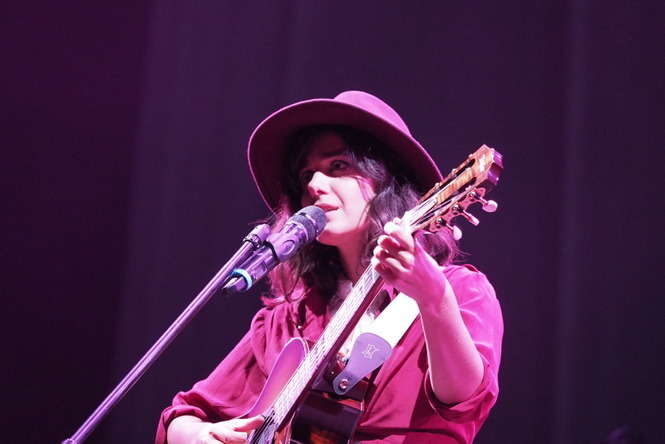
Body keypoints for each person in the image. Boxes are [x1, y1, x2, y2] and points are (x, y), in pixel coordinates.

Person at [155, 91, 503, 443]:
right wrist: (199, 436)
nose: (314, 186)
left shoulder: (461, 291)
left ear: (387, 180)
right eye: (306, 175)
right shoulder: (288, 320)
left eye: (338, 166)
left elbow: (464, 399)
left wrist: (433, 298)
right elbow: (181, 417)